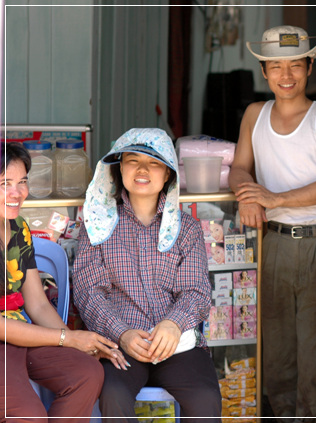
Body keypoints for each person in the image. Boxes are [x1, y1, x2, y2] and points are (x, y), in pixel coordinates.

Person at [229, 25, 316, 420]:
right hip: (272, 244)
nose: (286, 76)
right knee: (277, 357)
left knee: (315, 359)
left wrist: (273, 198)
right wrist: (247, 194)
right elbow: (238, 168)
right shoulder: (255, 114)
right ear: (264, 71)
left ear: (309, 66)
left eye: (296, 65)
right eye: (277, 66)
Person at [72, 128, 221, 422]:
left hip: (176, 344)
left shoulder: (187, 228)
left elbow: (196, 291)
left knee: (205, 399)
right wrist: (122, 333)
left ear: (168, 174)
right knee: (113, 395)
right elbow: (89, 292)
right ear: (119, 169)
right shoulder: (97, 227)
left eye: (154, 163)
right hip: (120, 344)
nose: (142, 170)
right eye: (132, 160)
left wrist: (173, 324)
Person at [1, 141, 126, 421]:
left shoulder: (18, 227)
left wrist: (76, 343)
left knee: (87, 372)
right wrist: (67, 337)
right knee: (28, 415)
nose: (17, 192)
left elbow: (37, 303)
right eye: (4, 183)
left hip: (21, 334)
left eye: (22, 182)